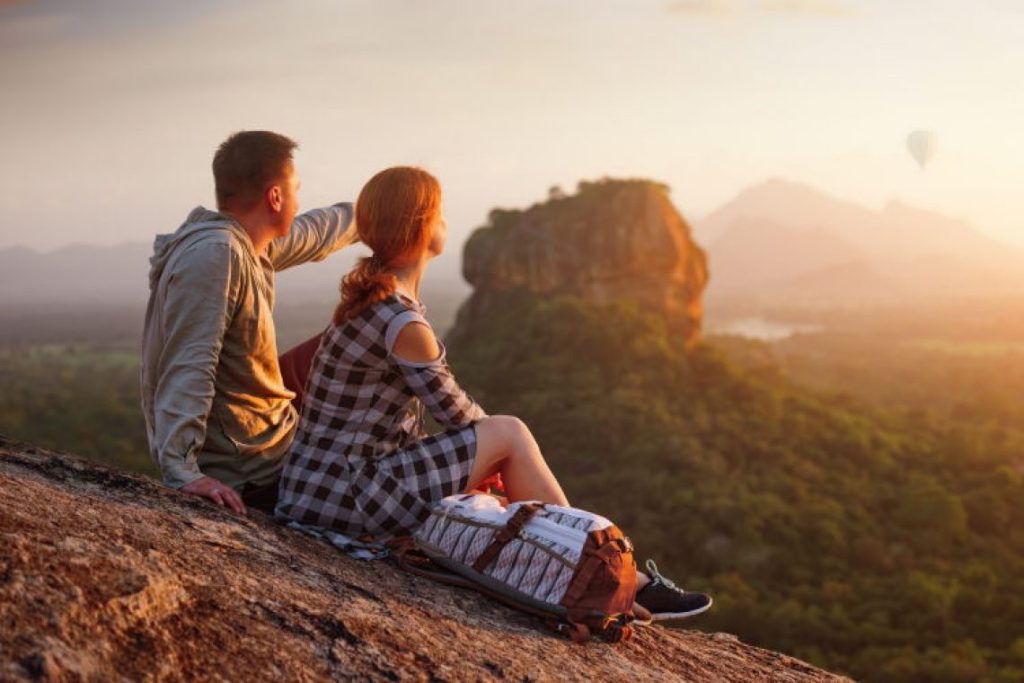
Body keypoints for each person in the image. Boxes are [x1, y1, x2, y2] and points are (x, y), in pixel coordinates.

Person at [275, 166, 711, 621]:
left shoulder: (368, 300)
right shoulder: (401, 322)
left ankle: (603, 569)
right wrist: (492, 458)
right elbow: (462, 417)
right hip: (348, 494)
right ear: (424, 227)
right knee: (511, 433)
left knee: (497, 458)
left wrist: (480, 463)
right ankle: (595, 563)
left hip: (317, 488)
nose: (446, 222)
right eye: (440, 214)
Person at [141, 130, 358, 516]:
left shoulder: (243, 243)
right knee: (379, 337)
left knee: (353, 335)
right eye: (296, 190)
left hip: (268, 431)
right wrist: (181, 470)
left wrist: (375, 210)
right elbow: (190, 362)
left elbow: (316, 232)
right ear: (276, 197)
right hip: (253, 469)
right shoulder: (216, 255)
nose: (298, 200)